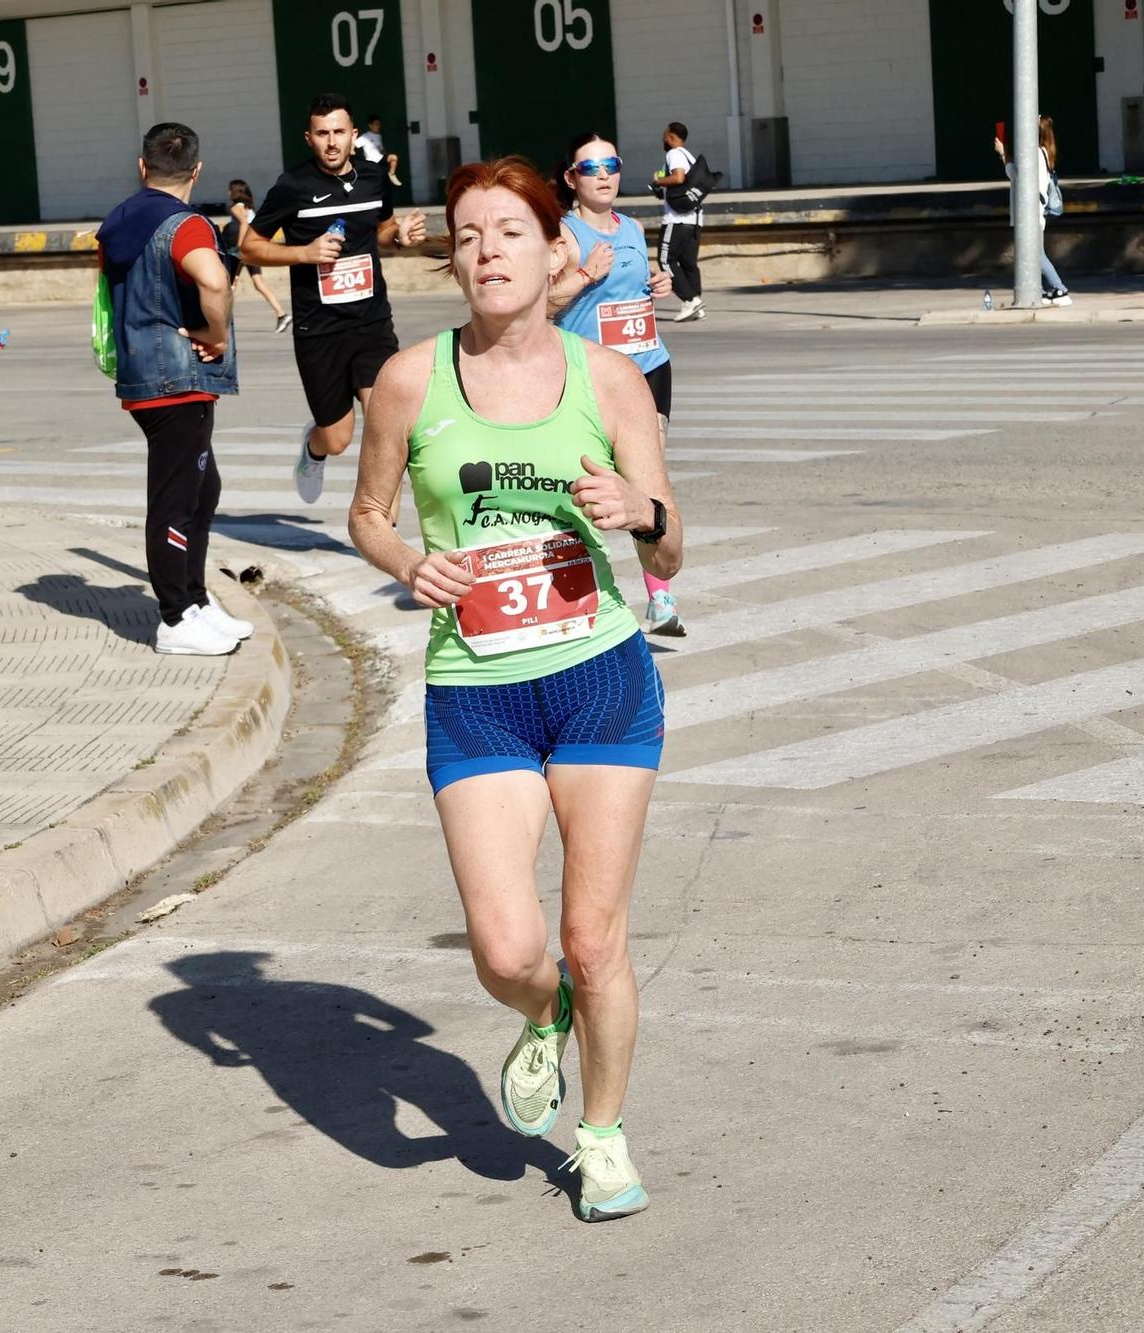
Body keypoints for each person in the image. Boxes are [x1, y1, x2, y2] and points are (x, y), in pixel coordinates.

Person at [348, 157, 684, 1222]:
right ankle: (543, 1018)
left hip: (598, 678)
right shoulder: (409, 379)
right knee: (509, 953)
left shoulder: (609, 381)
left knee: (594, 938)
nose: (485, 251)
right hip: (475, 688)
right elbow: (365, 514)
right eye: (466, 235)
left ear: (554, 256)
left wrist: (639, 512)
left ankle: (601, 1137)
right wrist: (409, 565)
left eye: (506, 232)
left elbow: (672, 553)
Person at [99, 122, 254, 657]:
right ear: (197, 170)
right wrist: (214, 331)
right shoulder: (184, 225)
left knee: (201, 489)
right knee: (176, 500)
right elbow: (212, 280)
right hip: (177, 380)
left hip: (146, 372)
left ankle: (195, 599)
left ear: (143, 167)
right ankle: (174, 618)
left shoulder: (122, 218)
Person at [241, 92, 426, 505]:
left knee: (385, 424)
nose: (331, 142)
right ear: (309, 138)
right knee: (339, 438)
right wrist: (303, 253)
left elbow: (380, 231)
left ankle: (382, 527)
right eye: (322, 133)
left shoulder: (374, 177)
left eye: (339, 132)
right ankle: (314, 447)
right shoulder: (292, 187)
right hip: (318, 328)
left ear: (354, 135)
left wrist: (397, 237)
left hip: (371, 321)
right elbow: (250, 247)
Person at [549, 131, 686, 638]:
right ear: (571, 178)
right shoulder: (563, 236)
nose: (604, 175)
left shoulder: (630, 226)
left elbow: (636, 287)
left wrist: (659, 284)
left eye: (612, 164)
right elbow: (542, 302)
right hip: (593, 376)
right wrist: (584, 274)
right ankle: (580, 594)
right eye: (591, 168)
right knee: (586, 484)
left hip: (649, 367)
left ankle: (661, 599)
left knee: (648, 483)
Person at [994, 116, 1072, 306]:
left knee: (1034, 253)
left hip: (1031, 211)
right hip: (1034, 210)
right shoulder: (1042, 152)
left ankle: (1060, 289)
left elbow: (1017, 176)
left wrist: (1003, 154)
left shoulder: (1036, 153)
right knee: (1034, 252)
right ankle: (1043, 290)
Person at [224, 181, 291, 333]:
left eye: (229, 190)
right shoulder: (249, 207)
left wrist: (240, 247)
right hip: (252, 249)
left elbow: (243, 224)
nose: (228, 193)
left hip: (240, 251)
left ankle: (223, 319)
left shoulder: (236, 207)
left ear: (234, 192)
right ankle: (282, 314)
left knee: (231, 284)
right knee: (258, 282)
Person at [653, 123, 704, 323]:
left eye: (665, 136)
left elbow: (678, 177)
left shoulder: (674, 154)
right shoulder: (690, 157)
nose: (663, 140)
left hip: (676, 220)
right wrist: (661, 188)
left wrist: (658, 181)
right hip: (694, 220)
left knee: (666, 260)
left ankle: (689, 300)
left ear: (672, 137)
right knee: (688, 263)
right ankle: (697, 304)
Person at [355, 114, 402, 188]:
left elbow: (381, 149)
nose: (378, 126)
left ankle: (391, 174)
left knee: (393, 158)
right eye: (376, 124)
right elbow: (354, 145)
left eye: (379, 124)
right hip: (372, 163)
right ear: (370, 125)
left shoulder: (379, 135)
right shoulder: (365, 137)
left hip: (381, 161)